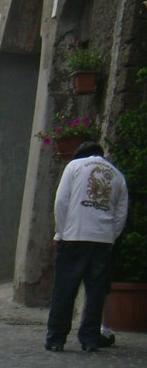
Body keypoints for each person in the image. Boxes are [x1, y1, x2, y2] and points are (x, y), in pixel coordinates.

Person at [44, 140, 128, 352]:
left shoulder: (74, 167)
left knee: (65, 289)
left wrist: (61, 232)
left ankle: (56, 338)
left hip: (75, 236)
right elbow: (120, 214)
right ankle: (90, 338)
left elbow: (61, 202)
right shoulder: (117, 175)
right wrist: (110, 236)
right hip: (103, 239)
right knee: (96, 292)